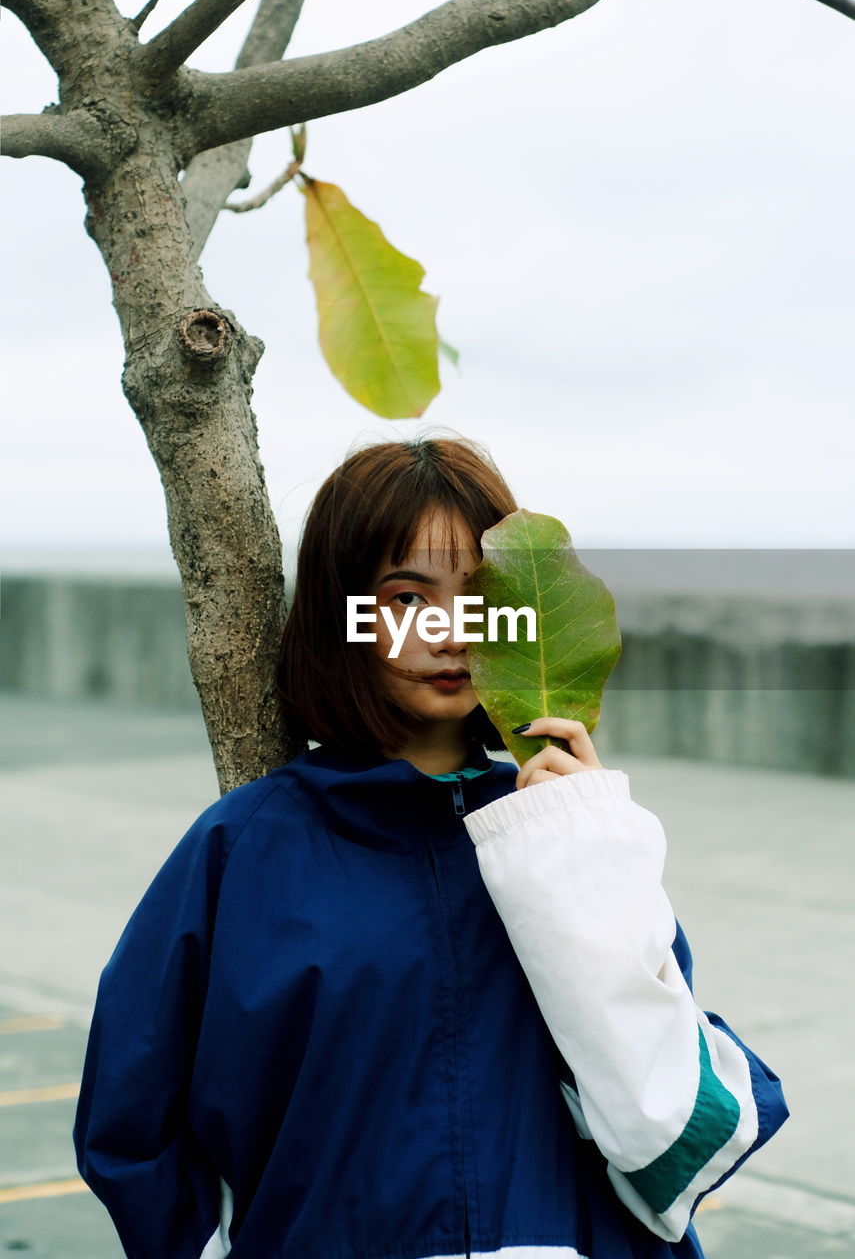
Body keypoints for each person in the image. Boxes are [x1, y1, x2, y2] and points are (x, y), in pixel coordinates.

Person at [73, 436, 788, 1259]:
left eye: (479, 597)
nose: (450, 632)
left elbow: (673, 1131)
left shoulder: (569, 833)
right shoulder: (247, 846)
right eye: (406, 598)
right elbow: (132, 1117)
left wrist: (583, 839)